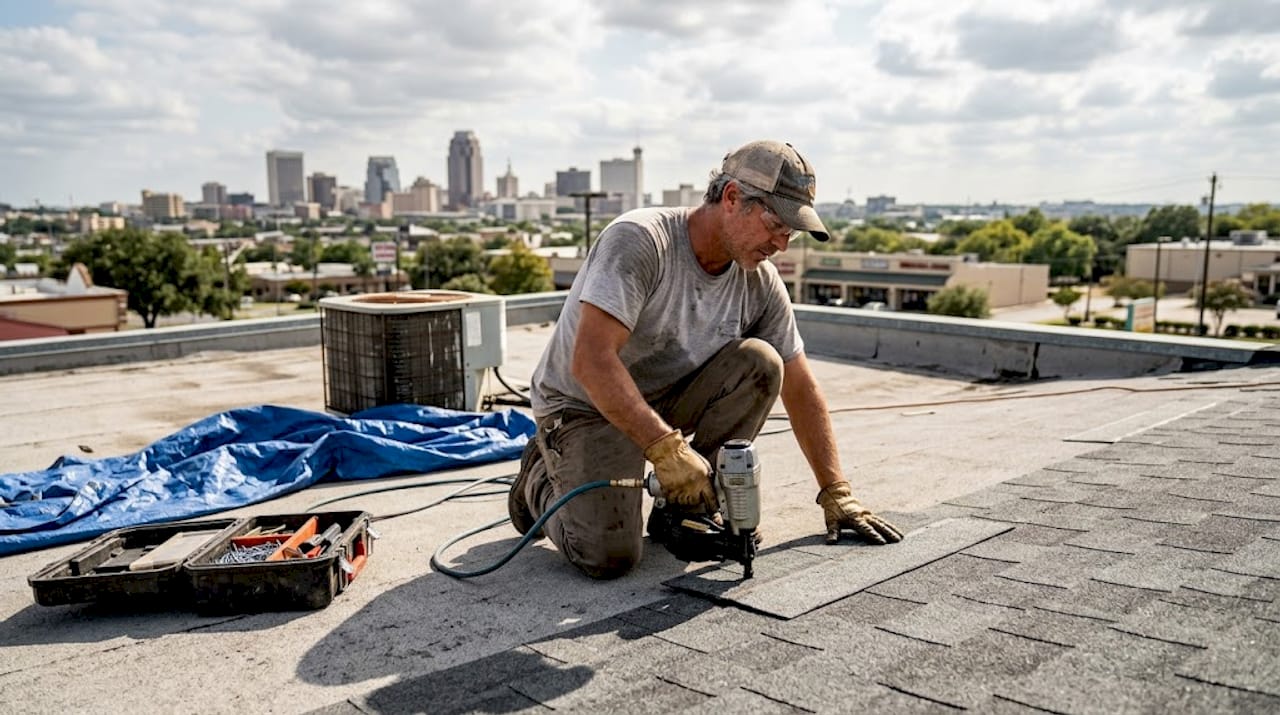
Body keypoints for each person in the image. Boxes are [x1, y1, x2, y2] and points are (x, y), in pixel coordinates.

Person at [509, 140, 902, 579]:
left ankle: (682, 508)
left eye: (790, 233)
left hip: (659, 400)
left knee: (760, 362)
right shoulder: (641, 241)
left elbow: (799, 384)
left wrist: (836, 491)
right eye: (776, 225)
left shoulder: (760, 282)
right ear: (732, 198)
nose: (782, 244)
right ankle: (538, 481)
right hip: (584, 405)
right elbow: (592, 362)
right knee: (607, 556)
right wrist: (664, 447)